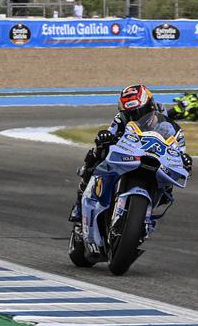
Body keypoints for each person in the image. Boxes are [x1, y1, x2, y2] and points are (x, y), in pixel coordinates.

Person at [69, 84, 190, 223]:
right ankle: (79, 205)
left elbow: (177, 141)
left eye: (138, 112)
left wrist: (183, 158)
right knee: (95, 154)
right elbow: (111, 131)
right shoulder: (121, 118)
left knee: (172, 176)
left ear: (150, 106)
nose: (134, 117)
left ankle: (147, 213)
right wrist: (105, 137)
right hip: (129, 149)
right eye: (129, 114)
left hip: (155, 154)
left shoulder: (164, 118)